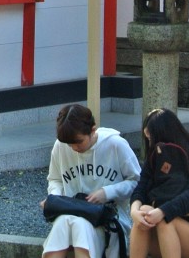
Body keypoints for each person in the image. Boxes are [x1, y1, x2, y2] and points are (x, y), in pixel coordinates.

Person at [41, 103, 141, 258]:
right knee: (65, 222)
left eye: (78, 141)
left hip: (108, 217)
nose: (74, 147)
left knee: (79, 225)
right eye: (69, 144)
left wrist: (107, 192)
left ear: (93, 130)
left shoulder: (115, 145)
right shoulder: (61, 145)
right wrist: (55, 198)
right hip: (71, 211)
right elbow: (55, 179)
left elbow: (137, 182)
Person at [128, 108, 189, 258]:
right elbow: (140, 188)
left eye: (151, 137)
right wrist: (134, 212)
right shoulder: (154, 157)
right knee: (145, 210)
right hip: (160, 230)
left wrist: (162, 211)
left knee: (166, 219)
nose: (150, 142)